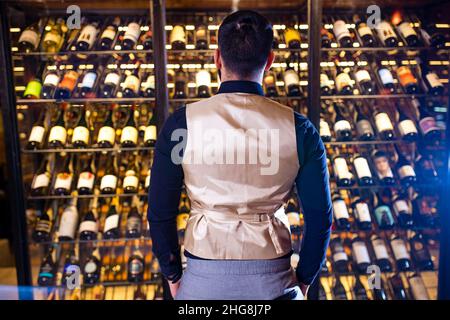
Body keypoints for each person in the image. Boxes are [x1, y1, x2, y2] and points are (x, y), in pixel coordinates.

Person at [148, 10, 332, 300]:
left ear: (217, 58)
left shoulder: (181, 124)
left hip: (203, 273)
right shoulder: (301, 129)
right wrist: (306, 278)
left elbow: (160, 211)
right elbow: (320, 218)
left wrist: (172, 275)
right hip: (273, 275)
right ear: (270, 61)